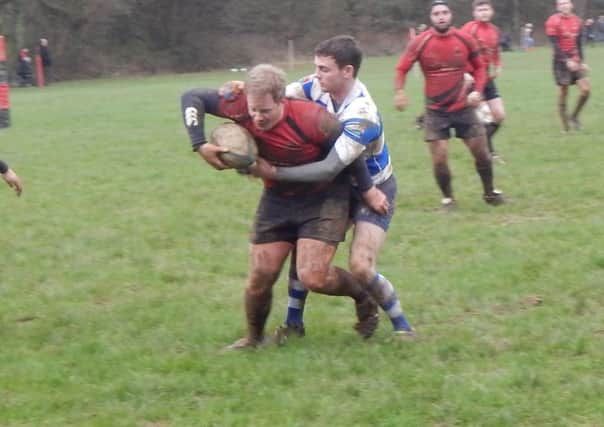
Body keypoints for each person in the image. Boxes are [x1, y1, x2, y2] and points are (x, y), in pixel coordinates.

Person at [180, 64, 380, 349]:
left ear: (282, 100)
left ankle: (362, 295)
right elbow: (191, 97)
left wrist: (368, 189)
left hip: (324, 196)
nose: (257, 118)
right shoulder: (237, 104)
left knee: (314, 276)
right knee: (259, 277)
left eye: (266, 111)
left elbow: (352, 154)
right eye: (253, 110)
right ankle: (253, 339)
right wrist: (199, 144)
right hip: (278, 198)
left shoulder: (313, 119)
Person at [250, 35, 415, 340]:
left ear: (347, 71)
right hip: (334, 188)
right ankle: (293, 325)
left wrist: (274, 172)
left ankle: (402, 326)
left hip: (372, 189)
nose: (316, 75)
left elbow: (330, 166)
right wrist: (244, 92)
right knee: (304, 247)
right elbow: (276, 97)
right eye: (316, 67)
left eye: (324, 69)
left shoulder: (362, 114)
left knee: (361, 266)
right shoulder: (316, 86)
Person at [394, 0, 504, 210]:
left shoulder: (464, 38)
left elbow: (480, 68)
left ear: (450, 15)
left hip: (464, 107)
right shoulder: (420, 41)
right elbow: (401, 68)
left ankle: (490, 193)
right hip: (436, 111)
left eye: (445, 12)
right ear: (431, 17)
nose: (441, 16)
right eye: (436, 13)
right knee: (440, 158)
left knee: (481, 153)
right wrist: (400, 91)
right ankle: (448, 200)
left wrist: (478, 91)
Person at [461, 0, 506, 162]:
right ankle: (489, 154)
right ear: (474, 13)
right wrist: (465, 73)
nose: (483, 12)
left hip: (488, 78)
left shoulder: (495, 30)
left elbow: (495, 53)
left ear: (491, 11)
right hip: (471, 79)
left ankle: (484, 147)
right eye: (480, 10)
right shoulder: (468, 29)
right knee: (483, 118)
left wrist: (498, 65)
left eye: (486, 9)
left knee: (499, 115)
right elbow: (459, 51)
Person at [545, 0, 590, 132]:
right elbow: (555, 45)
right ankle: (565, 127)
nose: (564, 6)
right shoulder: (552, 21)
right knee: (563, 93)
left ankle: (574, 117)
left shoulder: (578, 21)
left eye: (566, 3)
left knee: (586, 90)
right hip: (560, 62)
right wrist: (566, 61)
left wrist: (581, 62)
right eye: (561, 4)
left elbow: (579, 44)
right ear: (557, 7)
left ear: (571, 5)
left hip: (575, 59)